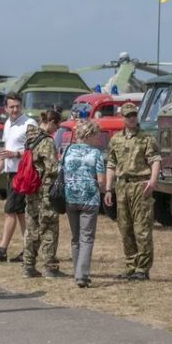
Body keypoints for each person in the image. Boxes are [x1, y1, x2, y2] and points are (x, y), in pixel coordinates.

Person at [104, 102, 161, 281]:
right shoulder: (116, 140)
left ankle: (142, 269)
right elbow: (111, 164)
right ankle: (131, 265)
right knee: (125, 227)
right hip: (122, 186)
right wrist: (108, 189)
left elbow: (155, 160)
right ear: (123, 117)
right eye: (128, 115)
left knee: (142, 227)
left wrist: (152, 181)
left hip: (140, 185)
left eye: (133, 115)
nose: (131, 118)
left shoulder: (146, 138)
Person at [0, 92, 37, 263]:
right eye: (11, 107)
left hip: (22, 174)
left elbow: (35, 150)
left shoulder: (29, 123)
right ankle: (27, 249)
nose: (15, 109)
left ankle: (2, 250)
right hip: (10, 173)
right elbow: (5, 153)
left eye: (17, 106)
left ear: (22, 106)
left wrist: (16, 154)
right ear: (6, 108)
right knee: (20, 213)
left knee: (10, 210)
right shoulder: (7, 124)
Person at [63, 120, 106, 288]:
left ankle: (77, 272)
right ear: (90, 135)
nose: (99, 139)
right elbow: (101, 180)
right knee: (86, 238)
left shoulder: (68, 150)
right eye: (97, 136)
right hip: (89, 199)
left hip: (70, 197)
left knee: (75, 238)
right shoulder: (96, 154)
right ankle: (82, 275)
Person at [22, 109, 62, 278]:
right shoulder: (47, 142)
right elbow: (52, 168)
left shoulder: (30, 138)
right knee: (49, 228)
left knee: (32, 228)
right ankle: (50, 267)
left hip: (31, 190)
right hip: (45, 191)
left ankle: (28, 265)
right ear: (51, 122)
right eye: (57, 125)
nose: (57, 129)